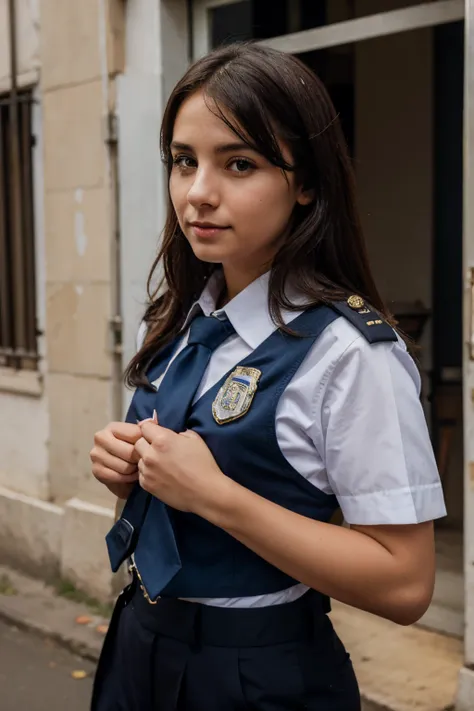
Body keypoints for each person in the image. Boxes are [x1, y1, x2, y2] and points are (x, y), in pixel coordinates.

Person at [89, 42, 446, 711]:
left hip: (258, 671)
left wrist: (215, 495)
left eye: (240, 163)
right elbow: (166, 498)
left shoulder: (350, 354)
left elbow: (405, 584)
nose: (199, 193)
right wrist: (130, 476)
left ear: (305, 182)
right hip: (139, 641)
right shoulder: (172, 322)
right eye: (184, 161)